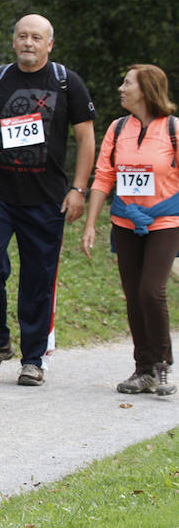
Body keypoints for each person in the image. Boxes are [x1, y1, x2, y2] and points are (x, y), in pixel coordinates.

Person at [0, 14, 96, 386]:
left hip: (47, 200)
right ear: (13, 41)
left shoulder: (66, 82)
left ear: (50, 44)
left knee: (38, 279)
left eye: (36, 37)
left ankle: (33, 359)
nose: (28, 42)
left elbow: (86, 137)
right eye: (22, 36)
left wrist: (79, 189)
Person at [81, 64, 178, 397]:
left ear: (146, 89)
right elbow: (104, 177)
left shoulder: (174, 130)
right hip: (124, 221)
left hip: (165, 222)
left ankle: (162, 366)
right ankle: (143, 369)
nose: (121, 88)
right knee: (135, 295)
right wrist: (91, 224)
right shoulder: (118, 128)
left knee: (152, 291)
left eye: (127, 83)